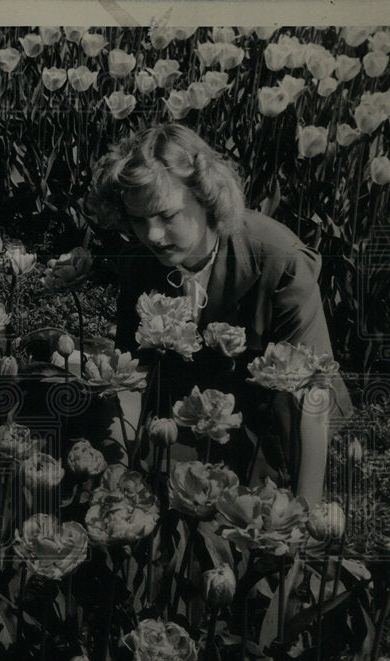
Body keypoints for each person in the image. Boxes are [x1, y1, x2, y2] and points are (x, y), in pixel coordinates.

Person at [85, 123, 352, 505]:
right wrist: (120, 470)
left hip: (278, 412)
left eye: (167, 215)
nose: (153, 235)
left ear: (208, 197)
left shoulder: (280, 258)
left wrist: (306, 509)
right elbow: (135, 375)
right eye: (139, 220)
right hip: (195, 403)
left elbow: (312, 392)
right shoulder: (140, 261)